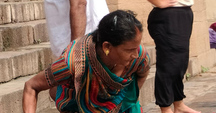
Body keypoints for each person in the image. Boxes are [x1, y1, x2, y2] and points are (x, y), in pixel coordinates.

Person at [23, 10, 151, 113]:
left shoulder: (139, 56)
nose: (135, 54)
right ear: (107, 47)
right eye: (129, 50)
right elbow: (31, 86)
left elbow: (143, 73)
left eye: (137, 47)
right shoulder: (75, 62)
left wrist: (123, 101)